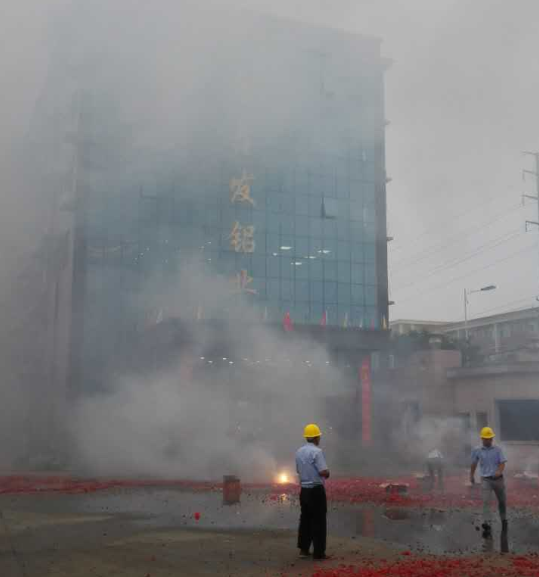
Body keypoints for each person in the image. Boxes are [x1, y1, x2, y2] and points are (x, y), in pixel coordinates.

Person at [296, 423, 330, 560]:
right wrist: (327, 473)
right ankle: (319, 552)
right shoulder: (317, 452)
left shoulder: (299, 452)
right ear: (316, 438)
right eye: (319, 437)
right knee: (319, 521)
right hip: (316, 490)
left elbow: (298, 470)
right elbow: (323, 471)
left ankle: (303, 550)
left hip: (304, 490)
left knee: (305, 519)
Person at [470, 426, 508, 537]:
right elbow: (474, 463)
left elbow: (502, 463)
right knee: (486, 501)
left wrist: (499, 471)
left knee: (502, 501)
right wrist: (471, 475)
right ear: (482, 438)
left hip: (498, 480)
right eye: (486, 439)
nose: (489, 440)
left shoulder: (498, 450)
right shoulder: (477, 450)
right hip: (485, 479)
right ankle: (487, 522)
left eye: (490, 438)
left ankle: (504, 519)